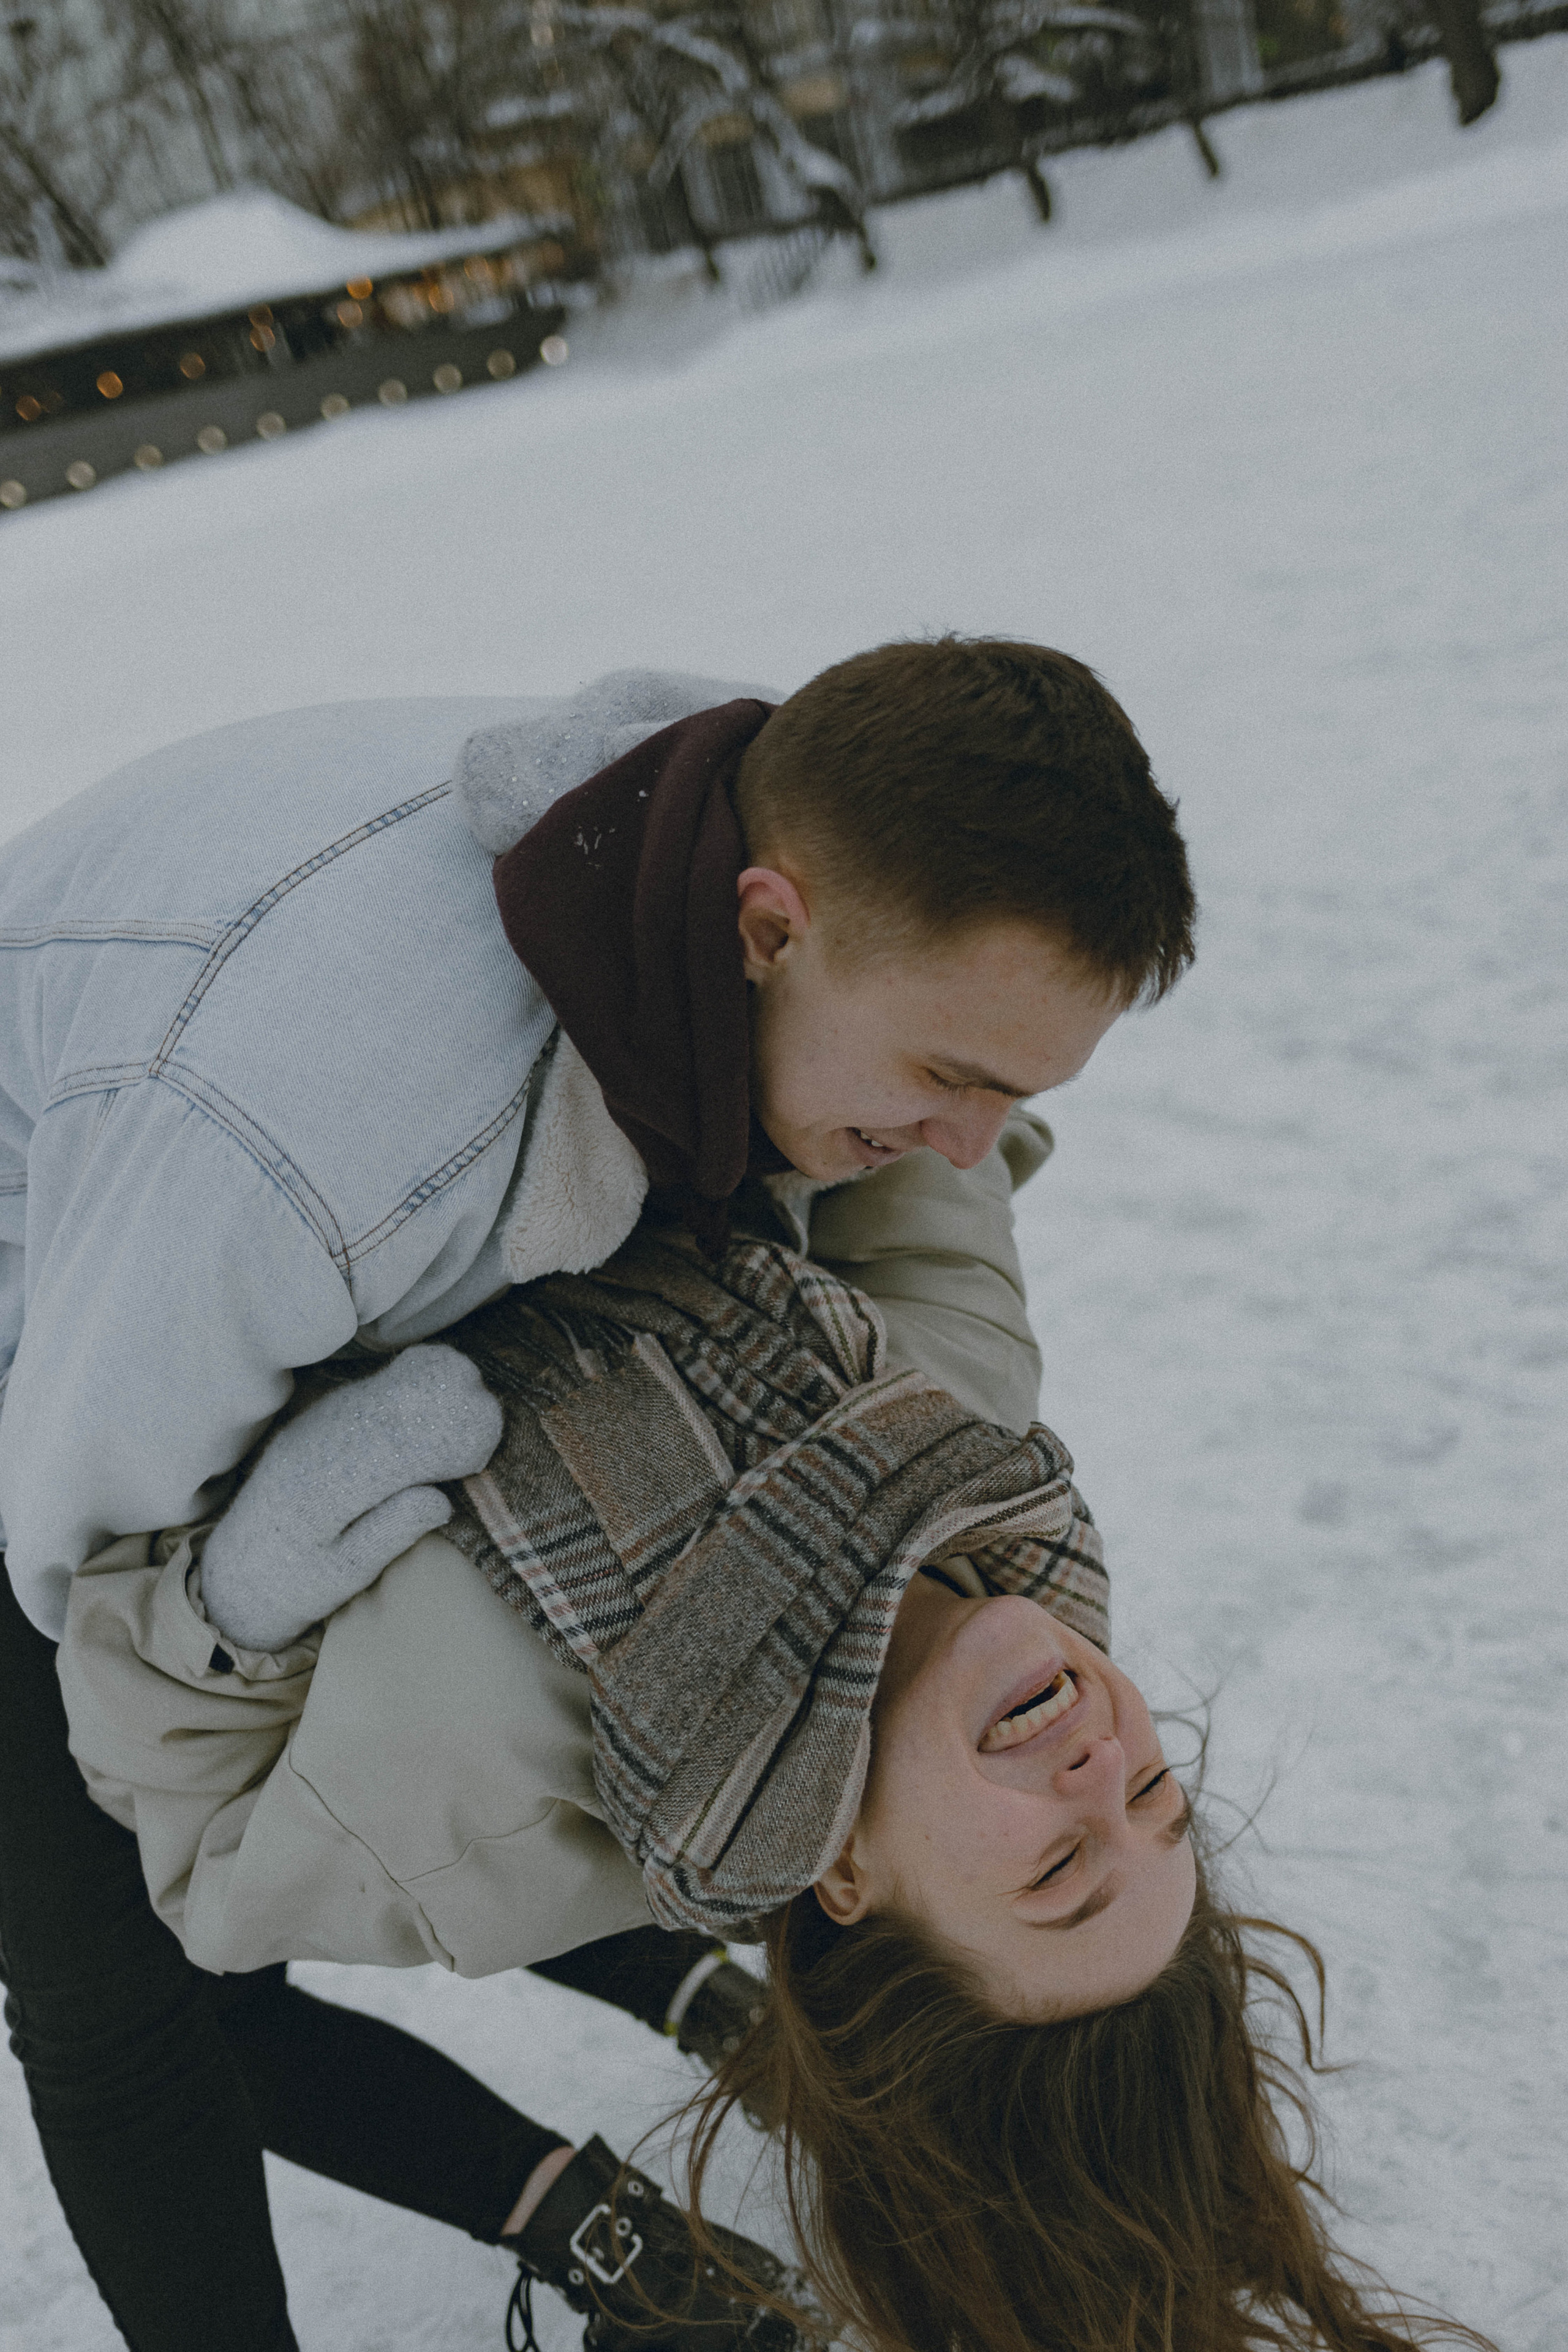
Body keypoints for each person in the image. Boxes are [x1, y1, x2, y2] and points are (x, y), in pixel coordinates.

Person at [0, 636, 1195, 2348]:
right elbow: (81, 1553)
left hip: (204, 1144)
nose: (964, 1139)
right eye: (949, 1075)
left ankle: (695, 2001)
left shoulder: (718, 848)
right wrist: (231, 1601)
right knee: (113, 1994)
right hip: (69, 1301)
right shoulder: (329, 1157)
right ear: (771, 928)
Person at [56, 1219, 1494, 2352]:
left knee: (113, 2000)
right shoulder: (980, 1424)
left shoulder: (471, 1765)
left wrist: (245, 1594)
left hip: (87, 1406)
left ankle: (596, 2220)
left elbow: (195, 1874)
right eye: (1154, 1798)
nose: (1099, 1769)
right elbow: (935, 1118)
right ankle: (698, 2009)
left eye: (1059, 1870)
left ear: (849, 1886)